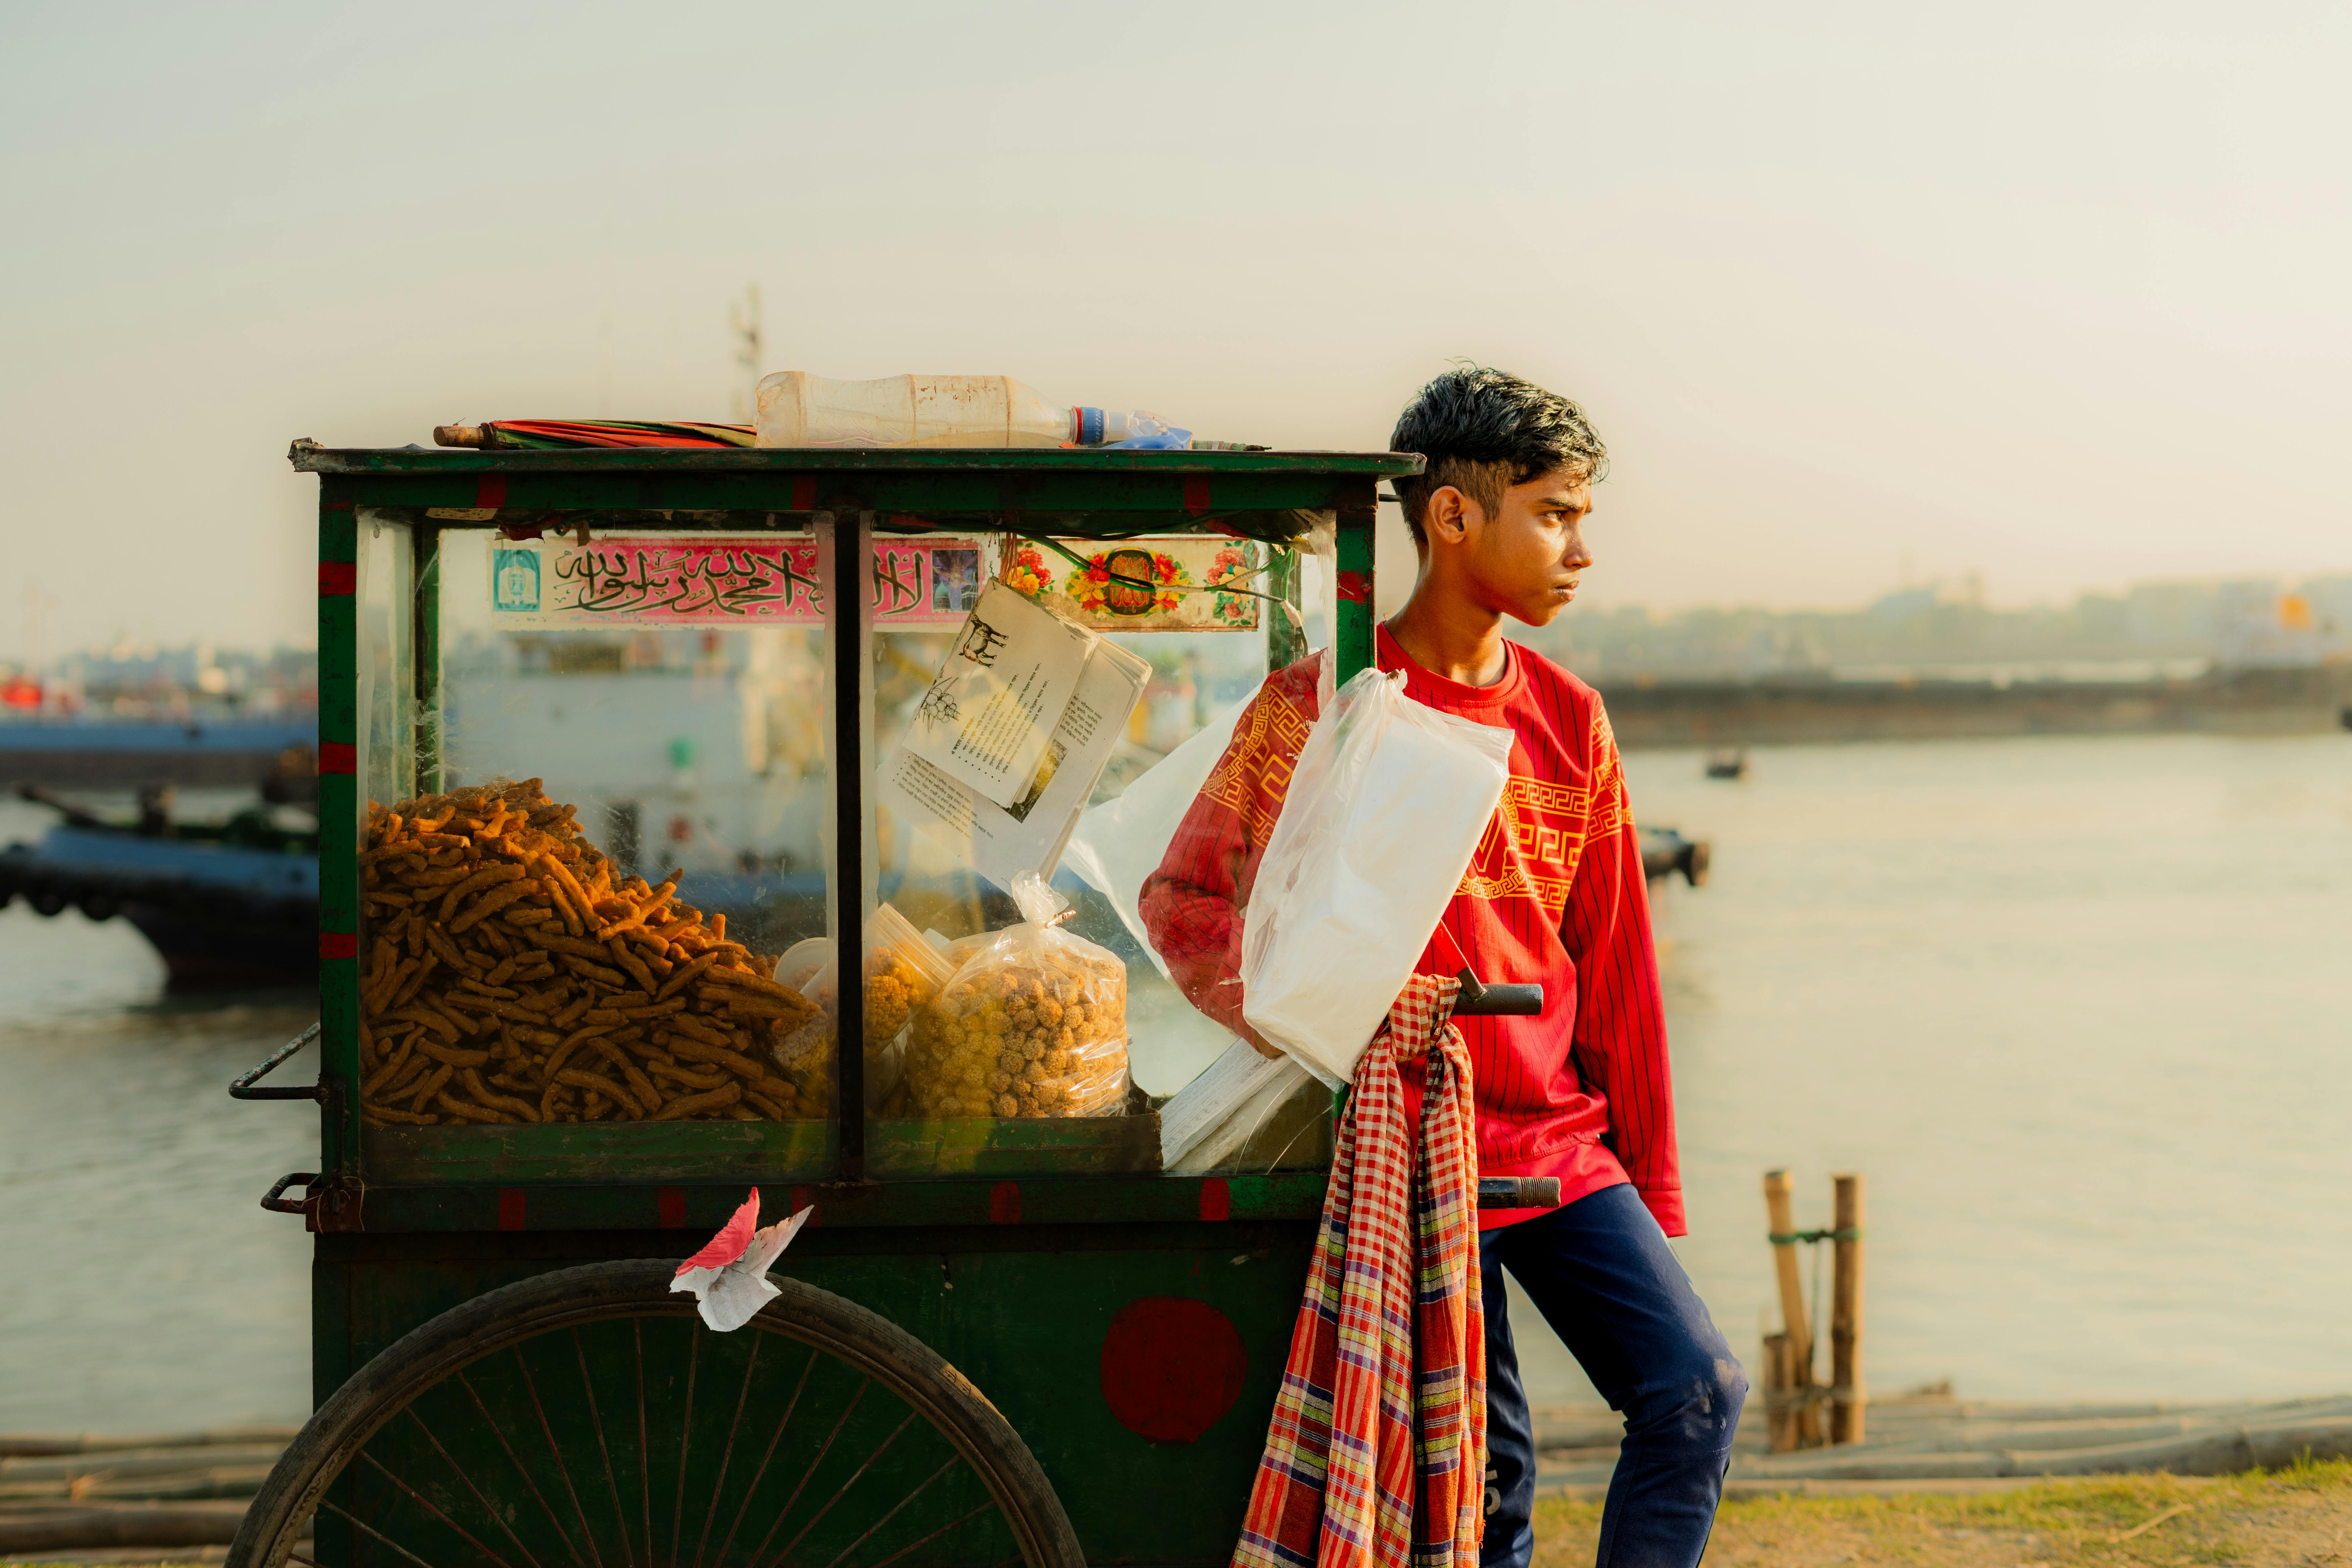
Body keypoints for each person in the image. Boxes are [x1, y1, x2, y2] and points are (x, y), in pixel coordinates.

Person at [1140, 367, 1745, 1568]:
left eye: (1583, 517)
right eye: (1556, 512)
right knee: (1486, 1478)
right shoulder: (1323, 706)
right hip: (1407, 1146)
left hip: (1560, 1155)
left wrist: (1649, 1190)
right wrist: (1332, 1013)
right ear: (1454, 517)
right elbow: (1183, 900)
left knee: (1696, 1392)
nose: (1581, 549)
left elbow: (1618, 967)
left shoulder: (1573, 721)